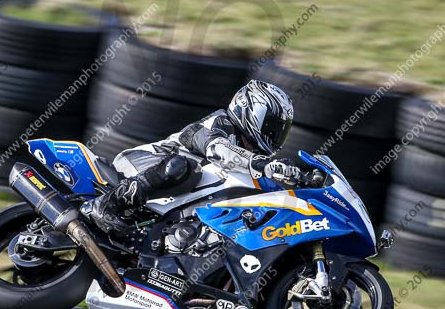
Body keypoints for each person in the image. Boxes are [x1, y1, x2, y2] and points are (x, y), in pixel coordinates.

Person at [81, 79, 301, 234]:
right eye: (272, 126)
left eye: (281, 130)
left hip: (172, 200)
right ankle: (106, 204)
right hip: (141, 163)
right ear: (251, 110)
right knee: (184, 167)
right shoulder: (219, 123)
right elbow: (217, 149)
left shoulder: (252, 160)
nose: (275, 135)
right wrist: (262, 164)